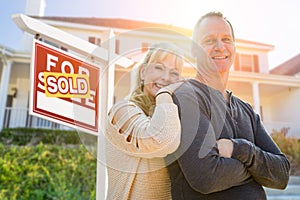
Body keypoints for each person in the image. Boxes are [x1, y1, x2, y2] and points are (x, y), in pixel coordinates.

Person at [166, 11, 290, 200]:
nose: (220, 47)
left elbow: (281, 174)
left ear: (234, 47)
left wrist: (239, 149)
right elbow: (206, 177)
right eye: (209, 40)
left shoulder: (246, 110)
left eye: (226, 39)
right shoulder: (187, 97)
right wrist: (259, 172)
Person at [104, 42, 185, 200]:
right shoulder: (121, 112)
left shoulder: (172, 117)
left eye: (174, 73)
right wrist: (165, 93)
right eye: (159, 67)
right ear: (143, 72)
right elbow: (161, 139)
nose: (166, 77)